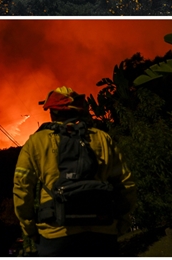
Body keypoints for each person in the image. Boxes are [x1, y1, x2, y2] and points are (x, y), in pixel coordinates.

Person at [13, 86, 136, 256]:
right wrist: (122, 221)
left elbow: (22, 189)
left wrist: (29, 228)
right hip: (102, 231)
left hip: (55, 233)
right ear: (79, 110)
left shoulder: (36, 142)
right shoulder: (102, 138)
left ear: (51, 112)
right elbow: (125, 184)